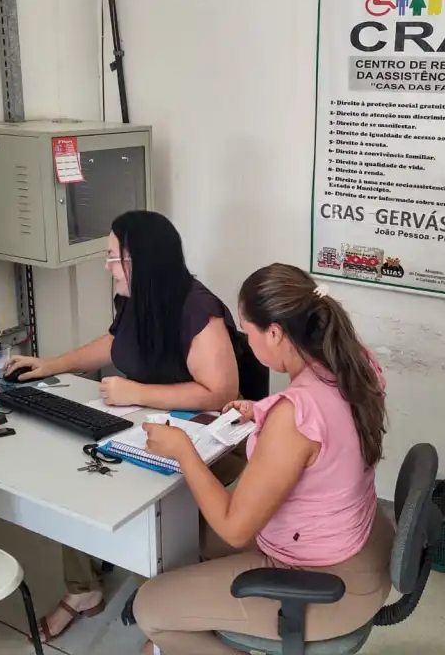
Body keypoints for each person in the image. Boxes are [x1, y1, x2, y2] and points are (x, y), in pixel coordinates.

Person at [3, 210, 242, 643]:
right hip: (143, 427)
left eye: (113, 257)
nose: (106, 266)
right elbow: (115, 342)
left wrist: (136, 391)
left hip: (199, 444)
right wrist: (52, 364)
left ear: (140, 262)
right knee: (78, 473)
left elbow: (220, 393)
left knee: (127, 495)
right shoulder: (136, 296)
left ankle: (166, 613)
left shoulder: (196, 308)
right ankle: (83, 590)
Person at [133, 264, 392, 655]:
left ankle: (177, 630)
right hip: (357, 538)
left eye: (246, 330)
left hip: (326, 582)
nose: (246, 340)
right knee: (183, 534)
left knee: (149, 608)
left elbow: (235, 529)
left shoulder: (294, 416)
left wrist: (183, 450)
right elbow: (326, 427)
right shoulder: (353, 363)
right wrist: (264, 411)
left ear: (274, 333)